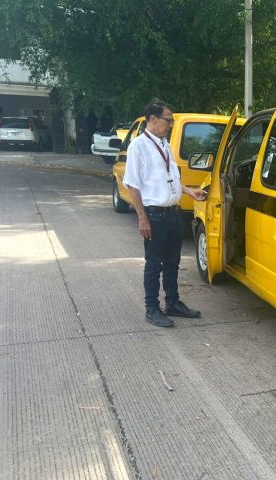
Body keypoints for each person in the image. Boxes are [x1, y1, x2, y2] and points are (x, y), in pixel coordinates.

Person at [122, 98, 207, 328]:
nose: (170, 124)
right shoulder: (138, 146)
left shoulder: (165, 144)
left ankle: (173, 303)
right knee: (154, 264)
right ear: (153, 119)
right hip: (154, 215)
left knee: (172, 262)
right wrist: (142, 218)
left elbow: (171, 181)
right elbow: (133, 185)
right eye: (168, 120)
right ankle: (152, 308)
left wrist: (190, 192)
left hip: (172, 214)